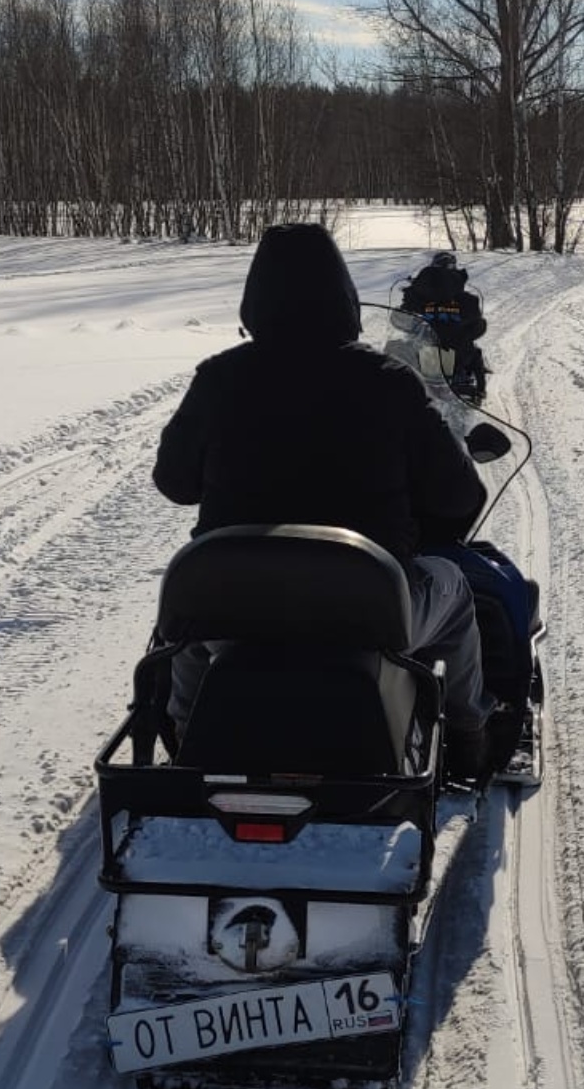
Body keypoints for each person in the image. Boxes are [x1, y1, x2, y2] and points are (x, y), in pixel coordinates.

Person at [153, 224, 501, 779]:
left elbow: (174, 483)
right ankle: (469, 736)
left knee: (186, 623)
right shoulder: (390, 381)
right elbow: (461, 495)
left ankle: (180, 737)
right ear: (342, 297)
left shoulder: (219, 378)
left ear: (255, 299)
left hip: (234, 605)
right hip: (369, 609)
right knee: (456, 593)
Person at [398, 249, 488, 402]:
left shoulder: (417, 296)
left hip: (425, 351)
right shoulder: (468, 300)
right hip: (452, 354)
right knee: (474, 353)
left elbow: (399, 318)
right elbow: (477, 326)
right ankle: (479, 391)